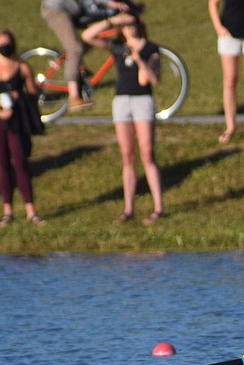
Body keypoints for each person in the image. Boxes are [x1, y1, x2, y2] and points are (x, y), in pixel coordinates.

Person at [82, 13, 164, 225]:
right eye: (126, 24)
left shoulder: (151, 48)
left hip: (142, 101)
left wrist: (139, 60)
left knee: (147, 154)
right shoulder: (118, 47)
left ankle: (158, 208)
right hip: (121, 102)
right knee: (127, 156)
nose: (130, 26)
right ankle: (128, 209)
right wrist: (114, 21)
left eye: (132, 23)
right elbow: (88, 36)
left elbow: (151, 80)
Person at [0, 29, 46, 228]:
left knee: (21, 162)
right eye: (1, 43)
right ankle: (7, 211)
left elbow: (33, 93)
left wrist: (19, 98)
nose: (5, 46)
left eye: (8, 43)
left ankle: (31, 211)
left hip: (17, 119)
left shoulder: (22, 67)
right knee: (3, 163)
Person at [41, 0, 133, 111]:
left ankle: (76, 63)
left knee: (95, 34)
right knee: (75, 49)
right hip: (57, 9)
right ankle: (74, 97)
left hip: (76, 9)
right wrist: (109, 3)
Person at [208, 0, 244, 145]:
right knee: (230, 80)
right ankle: (230, 126)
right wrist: (219, 28)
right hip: (229, 35)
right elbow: (213, 4)